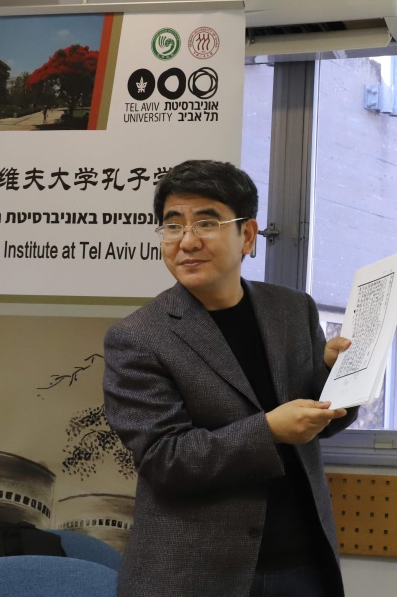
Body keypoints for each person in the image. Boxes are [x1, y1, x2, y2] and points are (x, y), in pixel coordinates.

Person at [102, 159, 354, 597]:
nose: (187, 241)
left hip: (303, 563)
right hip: (195, 574)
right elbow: (164, 458)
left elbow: (321, 419)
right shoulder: (138, 337)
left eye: (207, 223)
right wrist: (269, 430)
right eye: (173, 226)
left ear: (248, 236)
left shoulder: (293, 310)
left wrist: (337, 374)